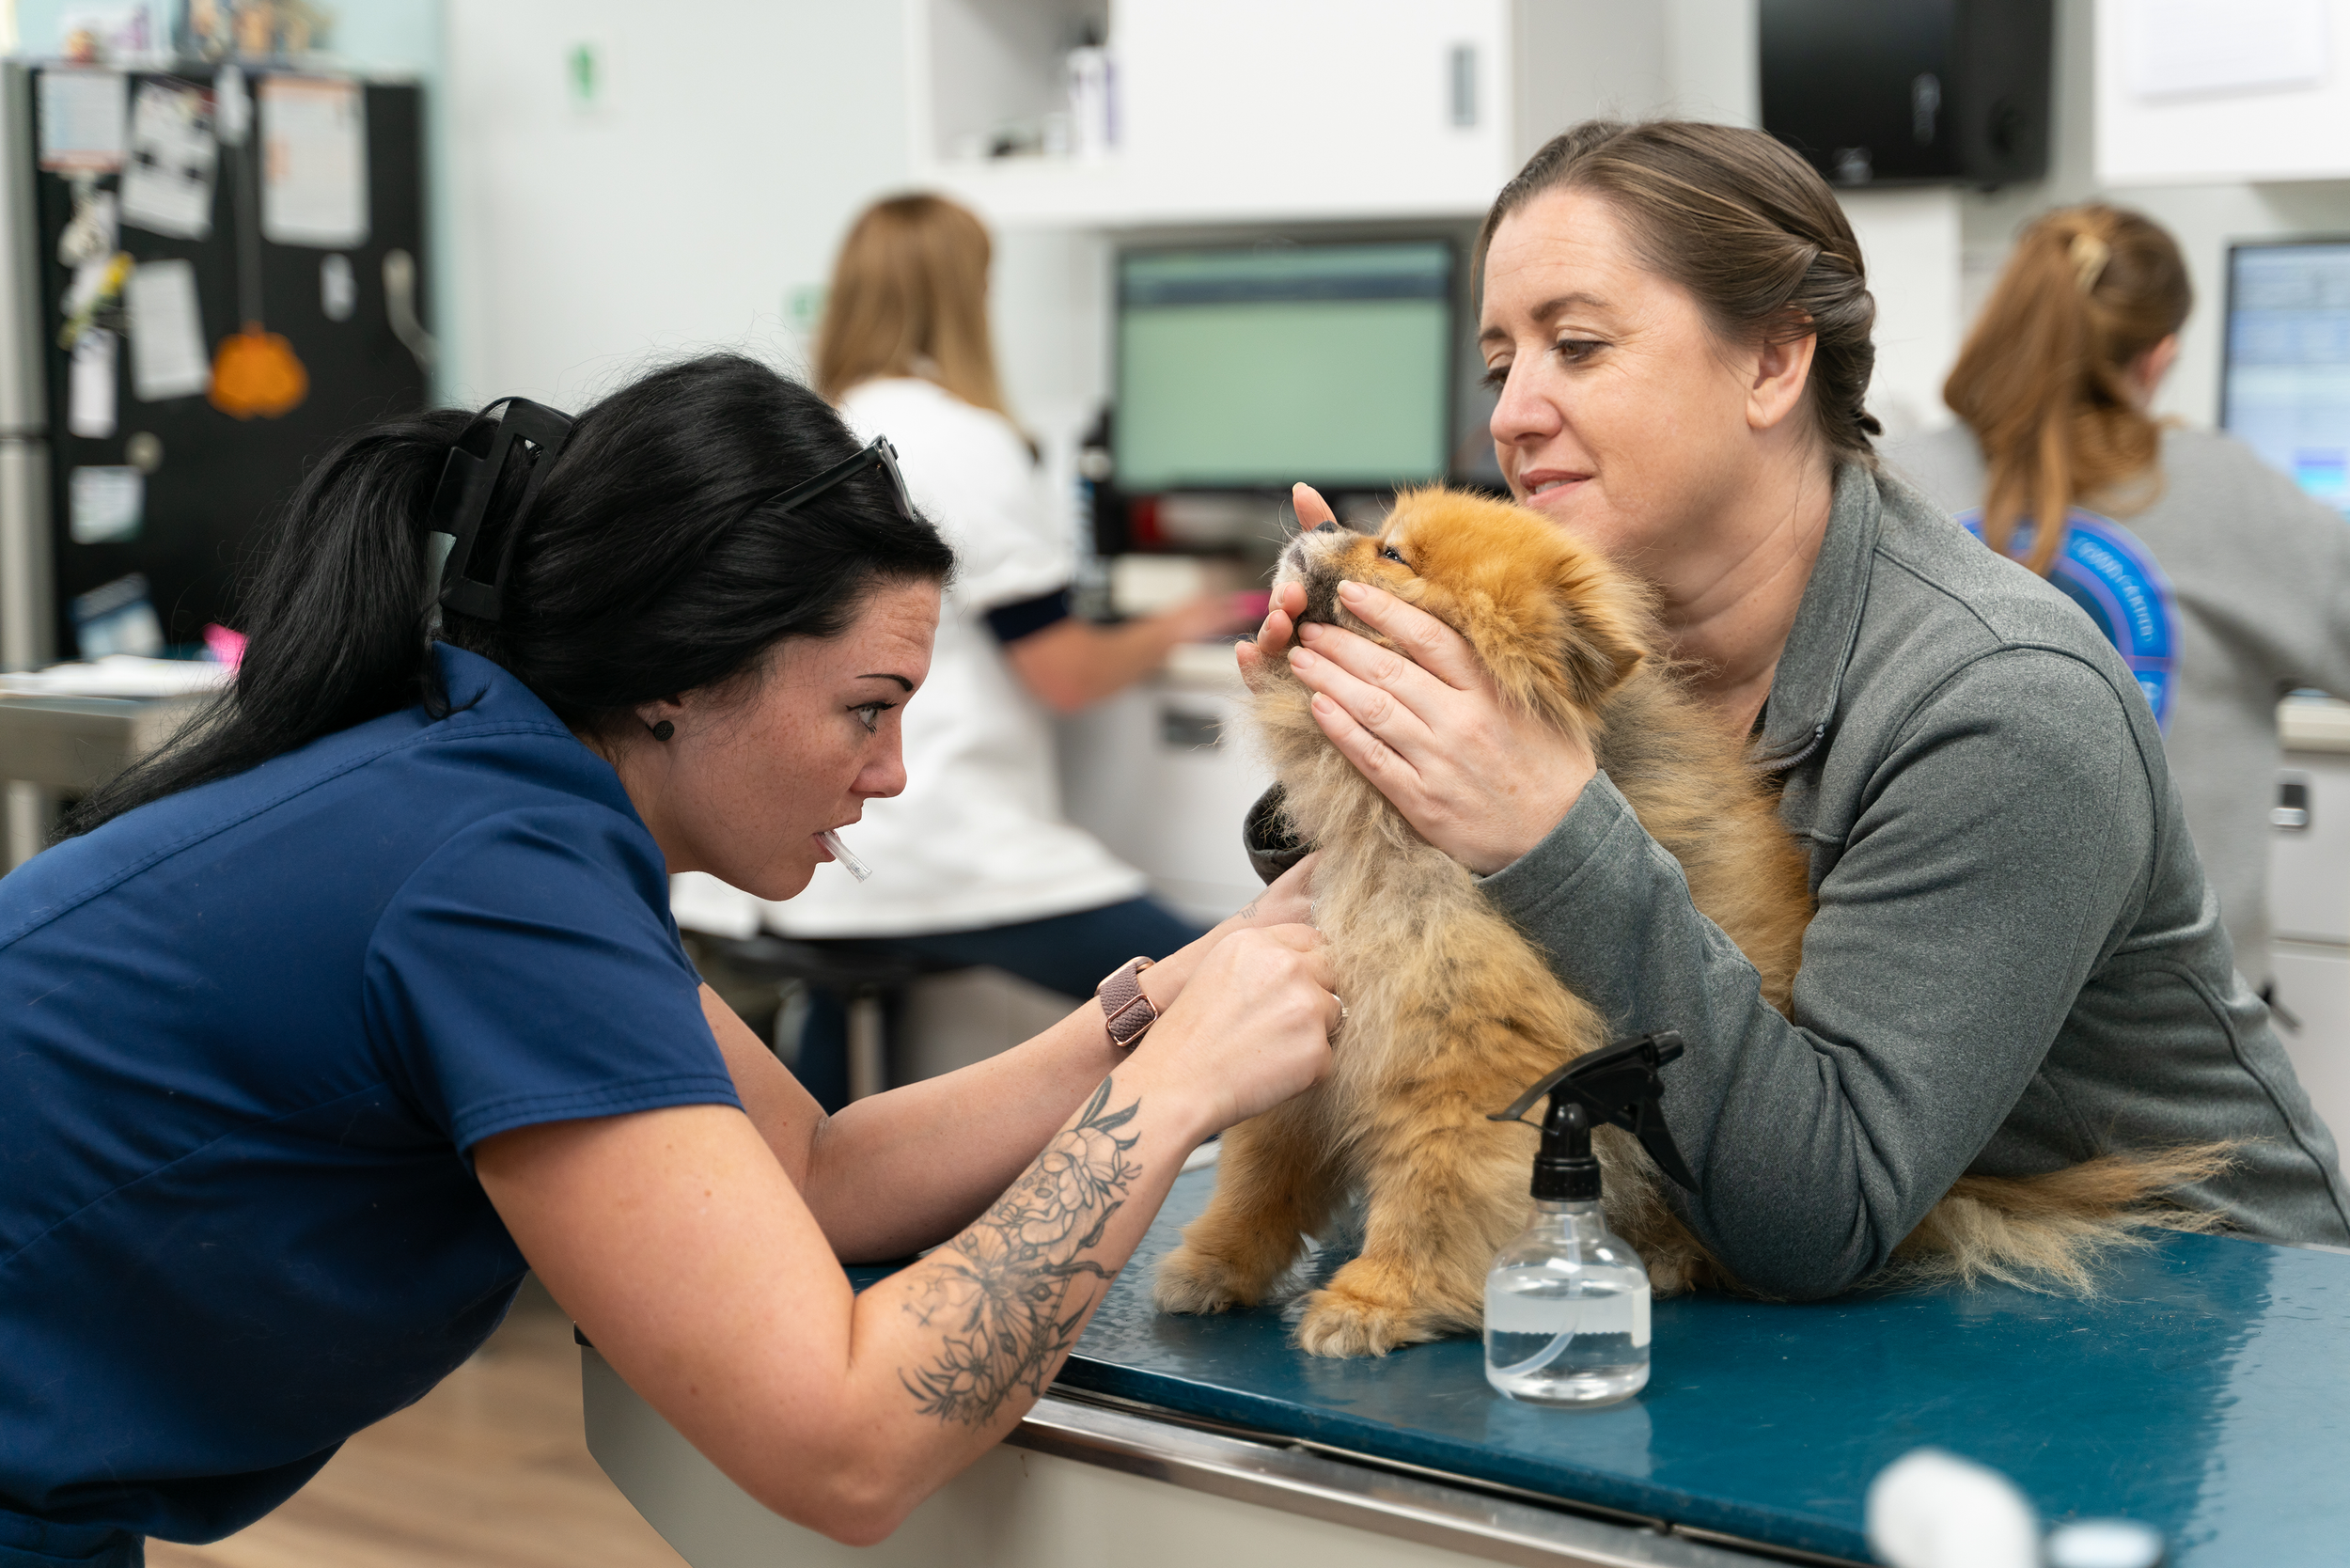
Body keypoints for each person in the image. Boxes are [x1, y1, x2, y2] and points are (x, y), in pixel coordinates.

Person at [0, 353, 1335, 1564]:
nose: (892, 773)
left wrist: (1175, 992)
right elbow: (847, 1449)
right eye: (865, 711)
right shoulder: (495, 885)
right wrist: (1172, 1097)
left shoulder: (493, 795)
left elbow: (816, 1173)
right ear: (678, 676)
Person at [1242, 120, 2349, 1300]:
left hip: (2193, 1330)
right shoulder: (1617, 641)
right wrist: (1346, 747)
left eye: (1575, 345)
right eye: (1500, 362)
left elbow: (1818, 1212)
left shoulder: (2006, 704)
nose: (1512, 413)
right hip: (1867, 1313)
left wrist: (1540, 833)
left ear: (1773, 363)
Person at [707, 194, 1255, 1109]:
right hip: (937, 845)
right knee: (1214, 976)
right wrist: (1182, 619)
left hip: (808, 858)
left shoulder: (812, 427)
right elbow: (1065, 673)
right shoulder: (959, 440)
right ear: (964, 296)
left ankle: (819, 1231)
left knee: (844, 1040)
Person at [1884, 203, 2350, 997]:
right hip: (2179, 1025)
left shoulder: (1886, 480)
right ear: (2159, 358)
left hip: (1927, 1010)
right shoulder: (2234, 494)